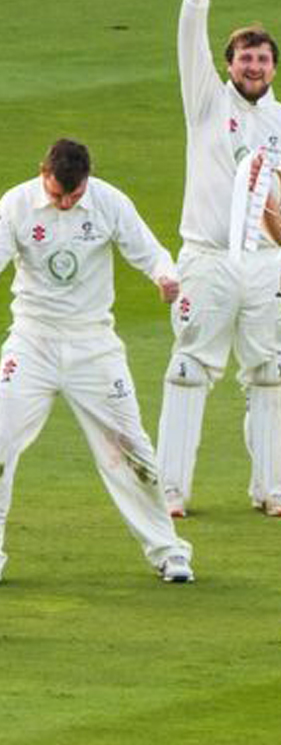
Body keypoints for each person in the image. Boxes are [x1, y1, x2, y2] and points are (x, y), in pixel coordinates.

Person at [158, 0, 281, 520]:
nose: (254, 67)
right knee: (188, 369)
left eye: (263, 59)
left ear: (275, 67)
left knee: (270, 371)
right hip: (206, 256)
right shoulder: (204, 103)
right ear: (229, 64)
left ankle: (274, 489)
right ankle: (170, 490)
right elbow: (188, 41)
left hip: (267, 263)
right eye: (246, 58)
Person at [0, 139, 194, 583]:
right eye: (56, 195)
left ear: (87, 180)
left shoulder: (108, 201)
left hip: (93, 345)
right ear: (41, 172)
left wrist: (166, 277)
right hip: (32, 340)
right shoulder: (16, 204)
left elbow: (150, 250)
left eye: (74, 195)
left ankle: (169, 551)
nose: (65, 203)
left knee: (131, 448)